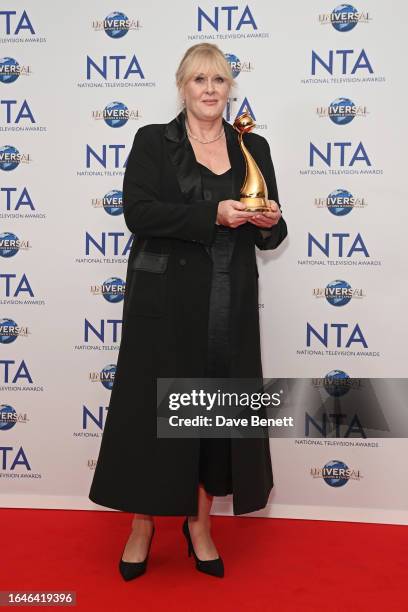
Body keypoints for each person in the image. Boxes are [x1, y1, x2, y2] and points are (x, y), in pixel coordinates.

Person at [88, 42, 288, 580]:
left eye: (219, 80)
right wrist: (212, 216)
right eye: (199, 80)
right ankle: (142, 523)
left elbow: (275, 226)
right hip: (166, 302)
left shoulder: (254, 145)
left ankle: (199, 523)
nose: (209, 89)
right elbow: (139, 212)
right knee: (155, 416)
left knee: (208, 415)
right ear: (182, 86)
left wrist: (269, 223)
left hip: (229, 301)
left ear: (229, 89)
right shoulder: (154, 141)